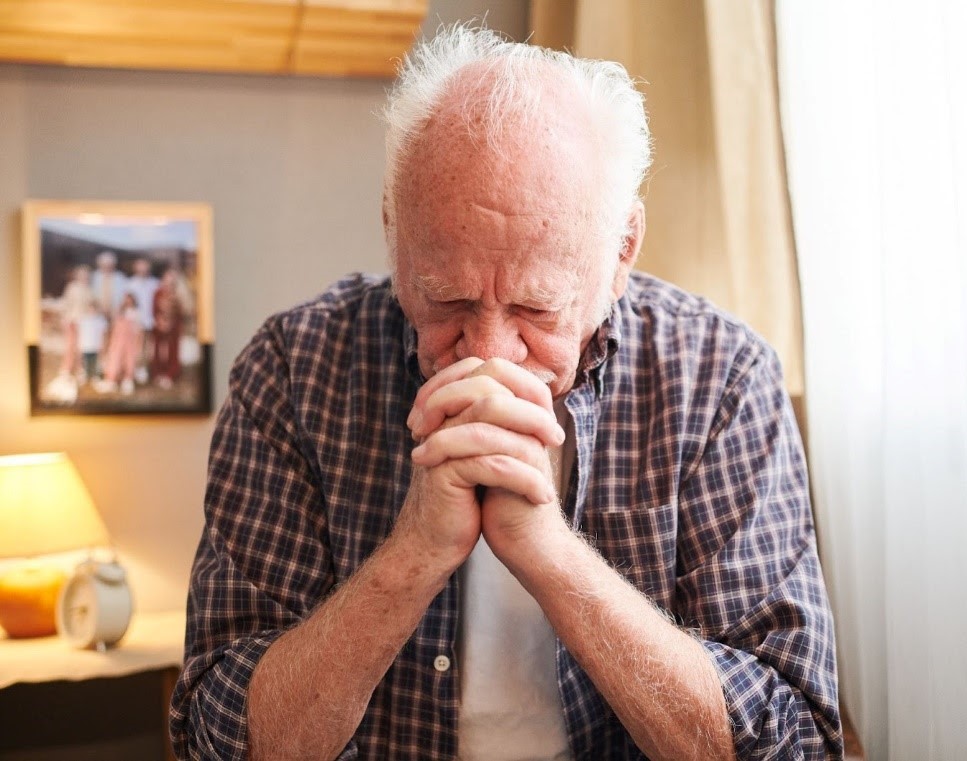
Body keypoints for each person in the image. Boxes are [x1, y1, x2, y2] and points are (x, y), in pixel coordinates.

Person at [171, 25, 842, 761]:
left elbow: (794, 742)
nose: (490, 354)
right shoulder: (293, 371)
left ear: (621, 250)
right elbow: (217, 737)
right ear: (393, 228)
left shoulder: (720, 377)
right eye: (447, 299)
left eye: (535, 308)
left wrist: (549, 553)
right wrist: (415, 551)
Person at [151, 267, 184, 389]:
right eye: (167, 279)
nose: (169, 283)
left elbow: (180, 312)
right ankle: (158, 373)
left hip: (173, 327)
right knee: (158, 351)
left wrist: (170, 323)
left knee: (172, 350)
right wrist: (160, 322)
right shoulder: (158, 293)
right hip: (159, 327)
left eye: (172, 280)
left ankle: (170, 375)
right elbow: (154, 310)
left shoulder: (177, 294)